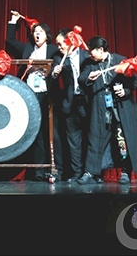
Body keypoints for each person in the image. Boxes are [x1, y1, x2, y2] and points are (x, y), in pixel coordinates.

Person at [5, 11, 63, 181]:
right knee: (36, 134)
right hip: (30, 95)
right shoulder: (28, 49)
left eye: (40, 32)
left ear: (47, 35)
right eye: (35, 32)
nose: (37, 35)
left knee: (53, 133)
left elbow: (63, 59)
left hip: (48, 95)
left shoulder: (53, 50)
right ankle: (38, 171)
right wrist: (14, 21)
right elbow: (10, 41)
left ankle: (57, 169)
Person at [76, 36, 137, 185]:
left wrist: (125, 91)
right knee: (95, 138)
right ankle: (91, 172)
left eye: (91, 51)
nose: (89, 54)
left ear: (100, 50)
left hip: (120, 106)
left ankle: (125, 172)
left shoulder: (120, 61)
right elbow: (81, 79)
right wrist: (89, 78)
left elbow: (134, 80)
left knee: (122, 139)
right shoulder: (90, 64)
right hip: (100, 107)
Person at [50, 28, 90, 183]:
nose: (59, 47)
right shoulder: (59, 57)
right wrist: (55, 73)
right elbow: (52, 76)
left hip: (87, 102)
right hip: (70, 103)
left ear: (70, 41)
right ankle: (76, 173)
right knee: (73, 141)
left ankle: (92, 172)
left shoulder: (86, 56)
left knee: (91, 138)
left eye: (61, 43)